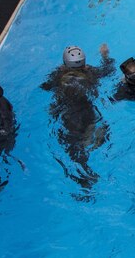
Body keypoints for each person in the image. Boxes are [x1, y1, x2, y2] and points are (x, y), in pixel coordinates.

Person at [41, 44, 114, 190]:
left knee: (73, 147)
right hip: (89, 111)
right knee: (96, 134)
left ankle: (83, 178)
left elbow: (45, 87)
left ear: (64, 63)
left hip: (69, 115)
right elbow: (109, 70)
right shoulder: (91, 72)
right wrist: (105, 56)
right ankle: (92, 142)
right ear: (84, 62)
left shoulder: (58, 75)